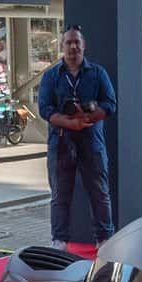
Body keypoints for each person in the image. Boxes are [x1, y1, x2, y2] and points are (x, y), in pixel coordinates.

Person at [37, 26, 116, 247]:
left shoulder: (98, 73)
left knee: (100, 193)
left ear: (84, 45)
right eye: (68, 42)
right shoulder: (51, 76)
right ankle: (59, 242)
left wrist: (89, 116)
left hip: (91, 141)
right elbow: (44, 109)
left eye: (77, 42)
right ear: (62, 46)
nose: (73, 47)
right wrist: (68, 122)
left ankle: (104, 240)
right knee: (59, 196)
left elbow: (110, 104)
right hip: (61, 142)